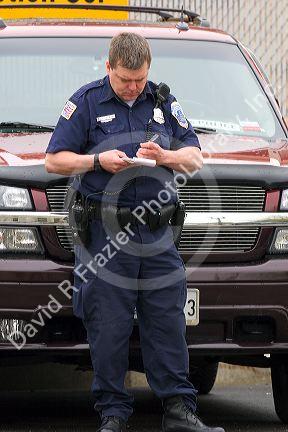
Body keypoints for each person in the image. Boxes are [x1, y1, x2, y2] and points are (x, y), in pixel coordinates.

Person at [45, 32, 224, 432]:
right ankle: (113, 414)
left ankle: (179, 410)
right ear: (108, 67)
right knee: (108, 322)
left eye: (140, 79)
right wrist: (96, 161)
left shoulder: (162, 101)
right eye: (126, 79)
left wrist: (166, 156)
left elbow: (194, 156)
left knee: (167, 320)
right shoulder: (87, 102)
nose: (133, 87)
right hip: (105, 234)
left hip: (157, 233)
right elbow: (53, 161)